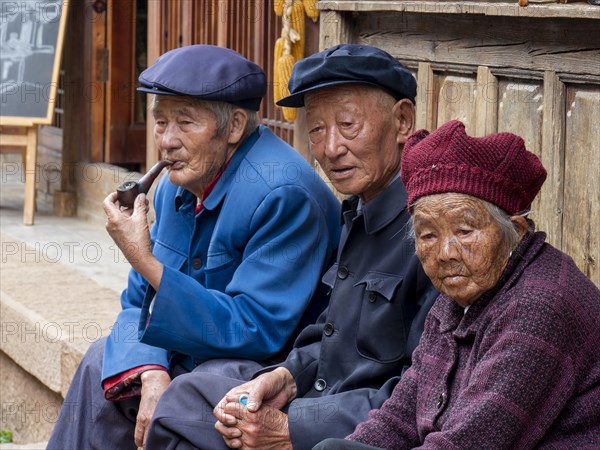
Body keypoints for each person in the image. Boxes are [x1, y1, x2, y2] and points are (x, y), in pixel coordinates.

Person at [47, 44, 341, 450]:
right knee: (104, 361)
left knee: (192, 396)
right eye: (160, 122)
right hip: (193, 351)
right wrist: (150, 370)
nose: (167, 141)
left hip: (266, 367)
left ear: (235, 125)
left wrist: (145, 261)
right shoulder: (173, 188)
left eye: (185, 123)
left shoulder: (282, 193)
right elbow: (136, 305)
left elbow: (257, 328)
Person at [145, 44, 439, 450]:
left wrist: (292, 428)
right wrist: (283, 377)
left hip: (355, 431)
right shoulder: (356, 211)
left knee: (187, 407)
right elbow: (330, 333)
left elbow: (424, 390)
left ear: (402, 120)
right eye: (317, 129)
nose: (331, 148)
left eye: (348, 124)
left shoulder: (431, 232)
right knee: (187, 400)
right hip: (314, 400)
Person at [313, 120, 600, 449]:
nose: (446, 253)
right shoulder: (457, 298)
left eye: (465, 231)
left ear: (516, 230)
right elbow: (400, 415)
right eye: (428, 235)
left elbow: (468, 442)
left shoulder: (541, 307)